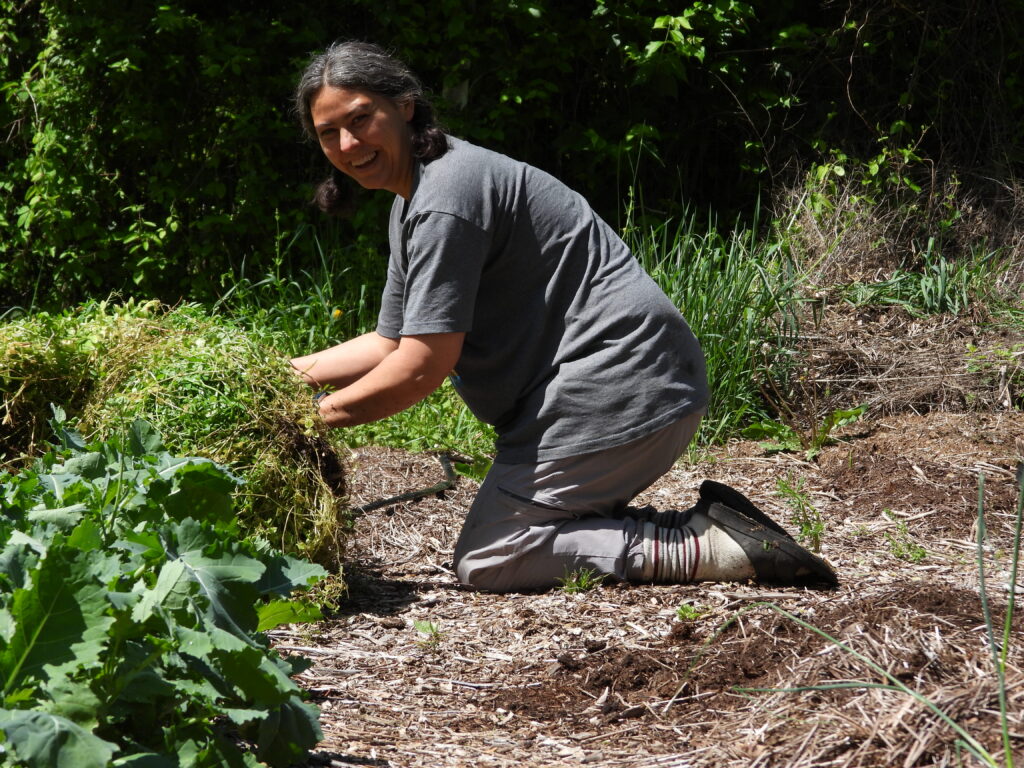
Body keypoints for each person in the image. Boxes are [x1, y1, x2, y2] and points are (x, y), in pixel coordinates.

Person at [290, 41, 837, 593]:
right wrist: (279, 380)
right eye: (328, 132)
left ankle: (712, 545)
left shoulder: (446, 197)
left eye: (361, 118)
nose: (348, 143)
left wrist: (305, 423)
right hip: (611, 390)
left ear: (404, 106)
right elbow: (390, 342)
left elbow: (420, 366)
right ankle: (701, 529)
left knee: (495, 557)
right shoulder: (417, 198)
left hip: (621, 386)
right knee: (501, 547)